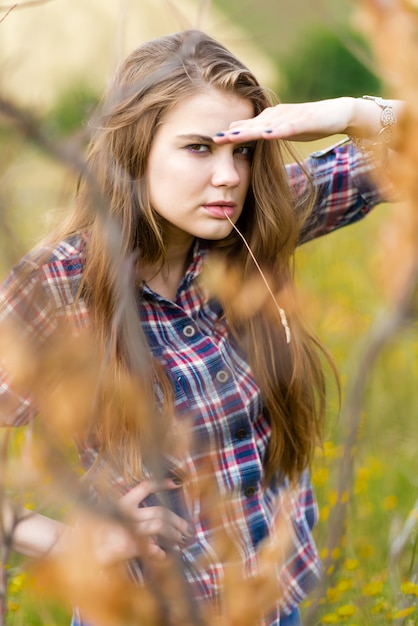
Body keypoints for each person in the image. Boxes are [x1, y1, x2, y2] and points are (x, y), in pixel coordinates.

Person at [0, 30, 403, 626]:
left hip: (280, 601)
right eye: (198, 148)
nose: (229, 177)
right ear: (134, 152)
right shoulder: (57, 289)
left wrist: (347, 113)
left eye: (240, 149)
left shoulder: (255, 226)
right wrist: (63, 542)